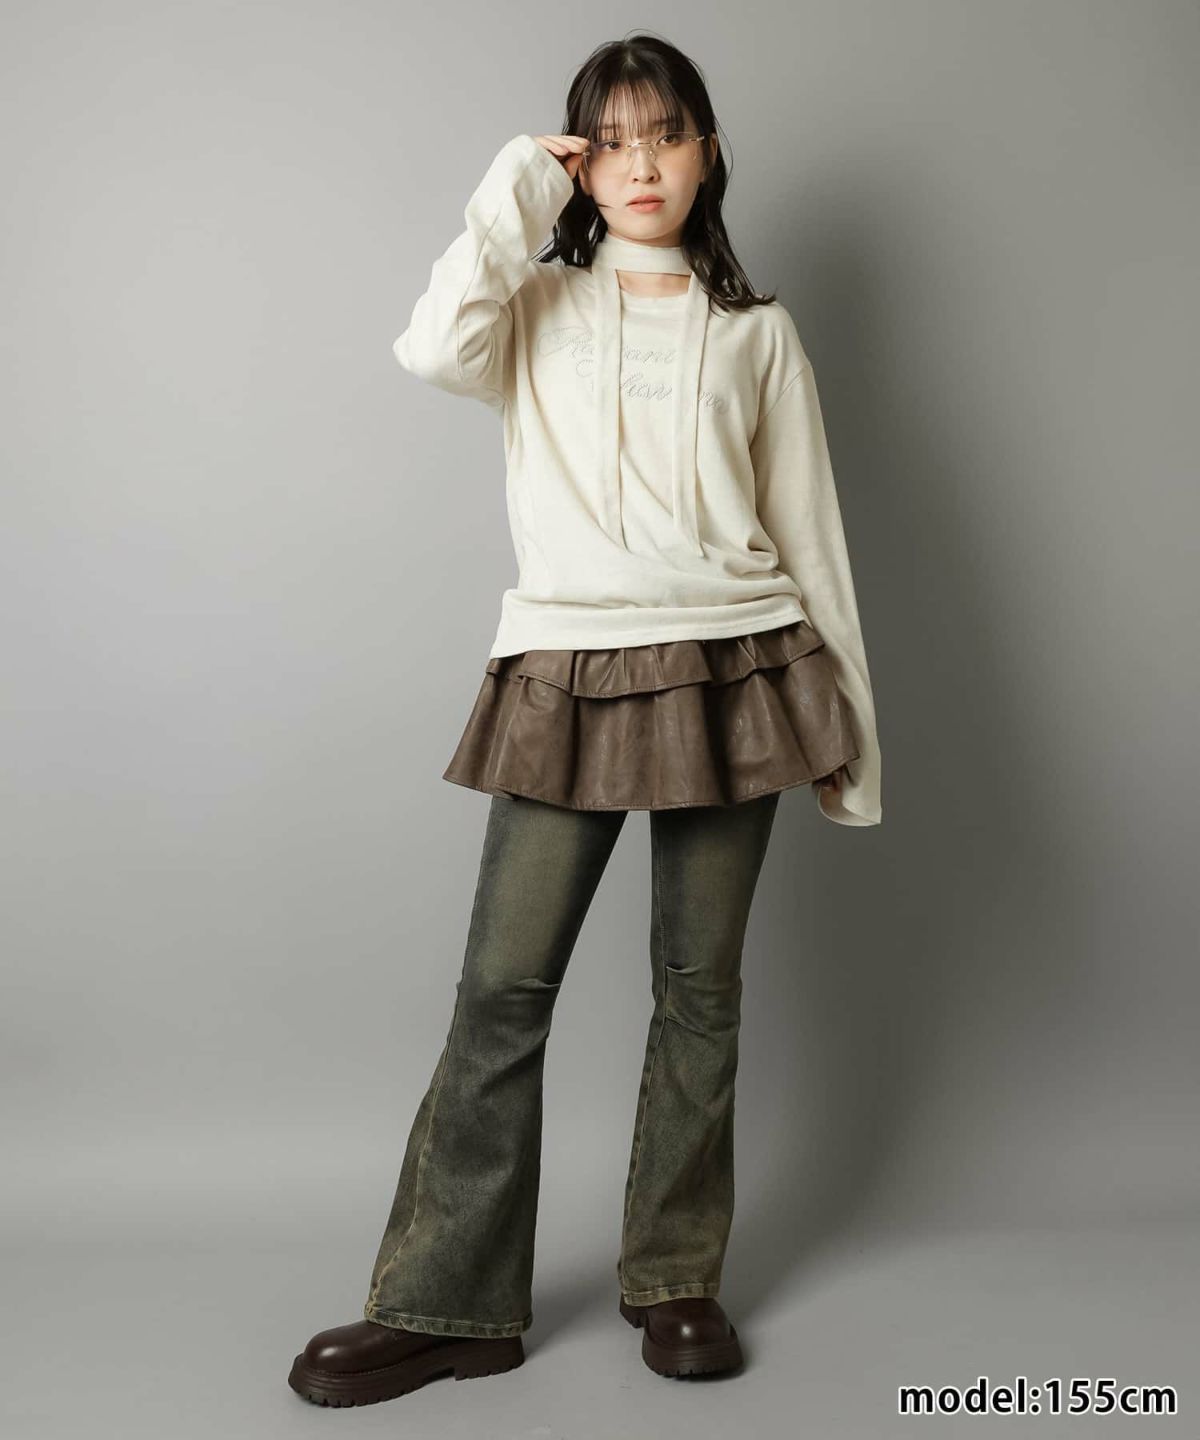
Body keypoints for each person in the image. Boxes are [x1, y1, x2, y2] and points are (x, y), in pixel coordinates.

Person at [288, 30, 882, 1407]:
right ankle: (450, 1304)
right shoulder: (534, 304)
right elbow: (430, 346)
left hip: (739, 667)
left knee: (701, 992)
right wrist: (519, 184)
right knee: (502, 992)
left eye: (663, 133)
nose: (639, 164)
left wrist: (854, 732)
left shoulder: (758, 332)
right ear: (579, 163)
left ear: (707, 150)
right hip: (568, 663)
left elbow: (813, 536)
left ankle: (675, 1280)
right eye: (608, 140)